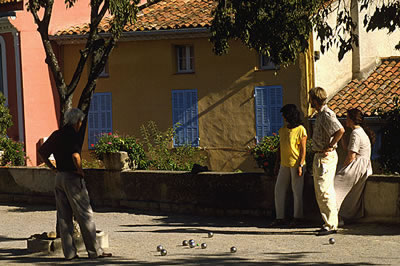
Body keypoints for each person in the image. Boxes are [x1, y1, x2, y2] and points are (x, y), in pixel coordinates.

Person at [39, 108, 112, 260]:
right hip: (72, 178)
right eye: (80, 121)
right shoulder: (73, 135)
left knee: (64, 217)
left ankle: (70, 253)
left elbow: (43, 152)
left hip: (59, 177)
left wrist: (53, 168)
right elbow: (75, 155)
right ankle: (94, 252)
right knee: (85, 215)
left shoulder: (57, 134)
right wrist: (80, 171)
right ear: (77, 121)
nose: (80, 124)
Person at [309, 87, 345, 236]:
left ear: (315, 100)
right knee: (321, 190)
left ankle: (331, 224)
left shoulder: (326, 114)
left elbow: (340, 130)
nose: (309, 101)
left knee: (324, 190)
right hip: (320, 156)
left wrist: (330, 146)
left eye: (311, 98)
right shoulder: (320, 115)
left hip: (325, 157)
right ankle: (329, 222)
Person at [270, 104, 307, 227]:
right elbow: (280, 148)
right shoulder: (282, 130)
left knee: (297, 191)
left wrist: (301, 165)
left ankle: (298, 217)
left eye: (284, 114)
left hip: (296, 164)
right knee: (279, 189)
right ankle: (280, 217)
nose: (282, 117)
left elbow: (303, 149)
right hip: (284, 164)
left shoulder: (301, 129)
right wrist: (277, 164)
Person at [335, 108, 375, 221]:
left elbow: (351, 156)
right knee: (351, 194)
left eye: (347, 118)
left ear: (352, 120)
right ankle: (343, 215)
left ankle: (336, 216)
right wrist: (342, 136)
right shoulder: (359, 132)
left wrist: (343, 168)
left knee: (333, 187)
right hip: (364, 166)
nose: (346, 120)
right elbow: (348, 148)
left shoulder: (356, 133)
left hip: (357, 165)